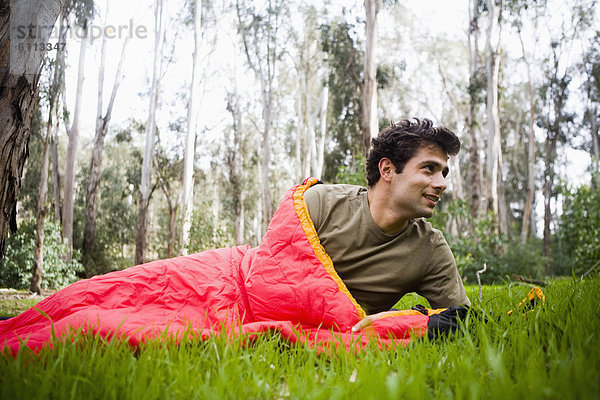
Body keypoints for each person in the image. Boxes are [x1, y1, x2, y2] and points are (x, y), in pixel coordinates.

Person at [303, 118, 470, 332]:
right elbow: (273, 271)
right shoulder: (321, 203)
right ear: (387, 169)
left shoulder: (430, 249)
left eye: (444, 173)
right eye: (429, 168)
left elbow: (464, 319)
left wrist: (394, 320)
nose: (442, 184)